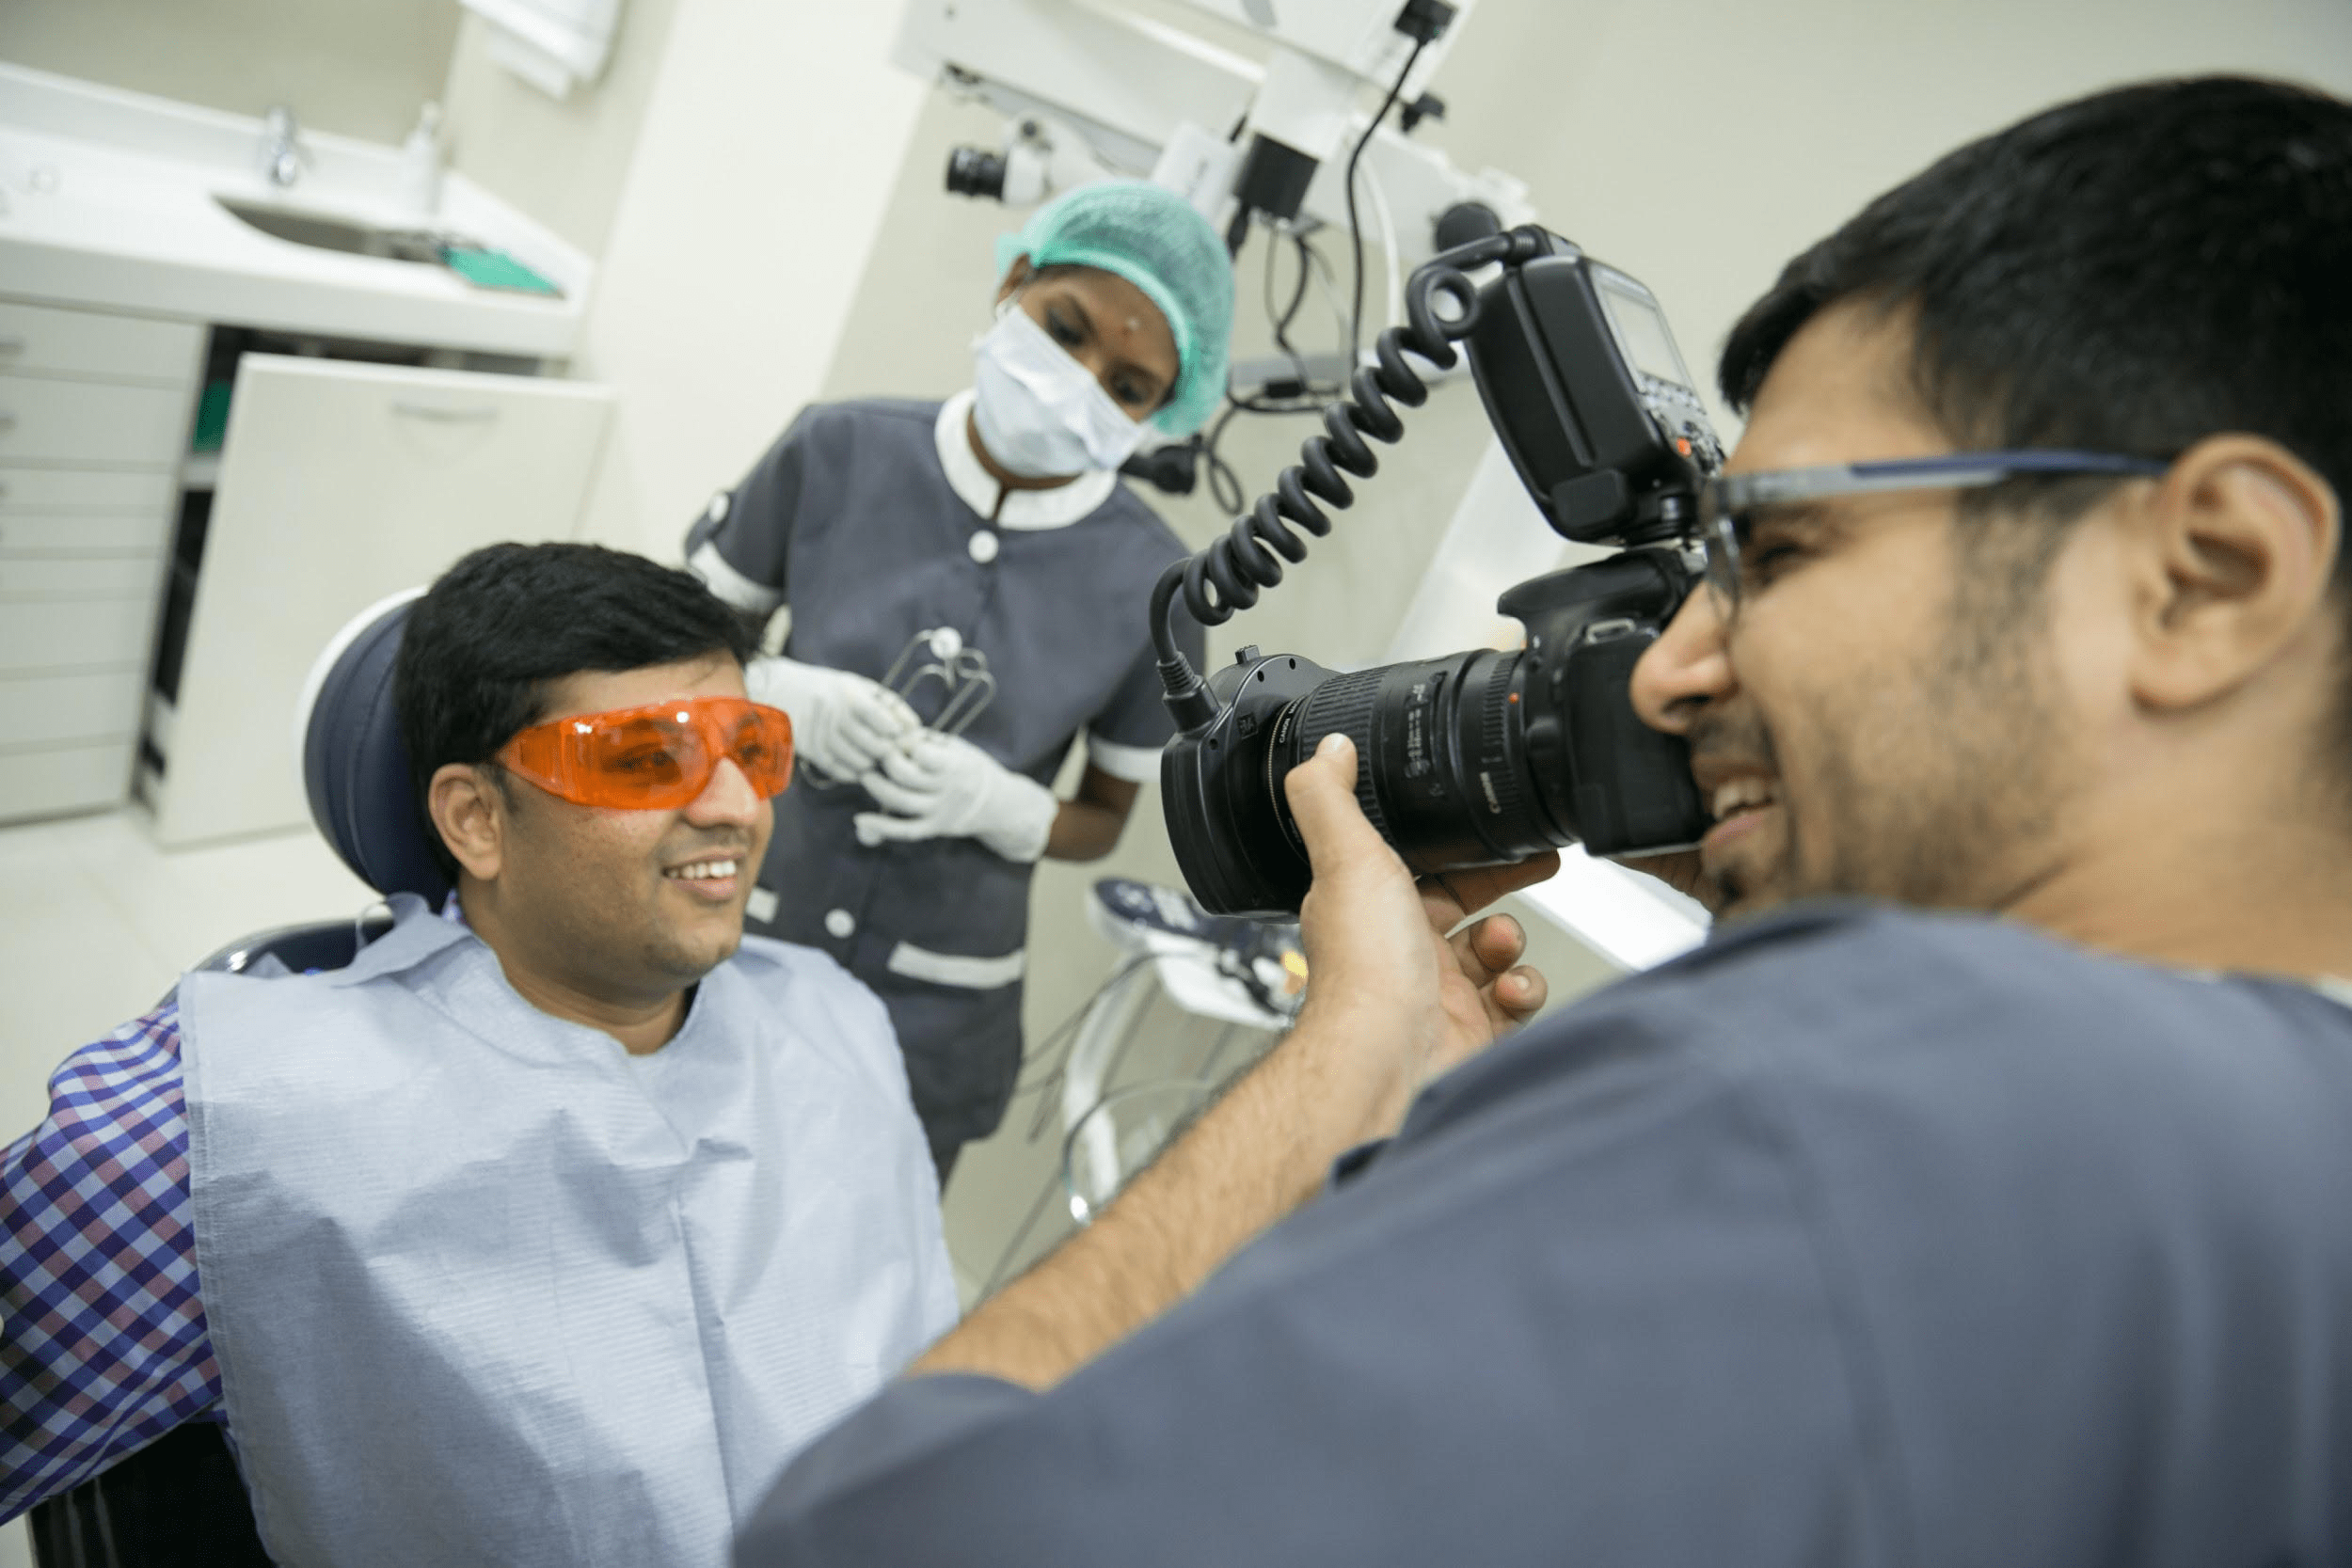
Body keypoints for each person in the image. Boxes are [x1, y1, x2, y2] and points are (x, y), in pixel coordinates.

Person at [735, 74, 2352, 1564]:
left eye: (1777, 555)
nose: (1672, 674)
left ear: (2206, 575)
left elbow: (875, 1534)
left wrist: (1342, 1063)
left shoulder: (1842, 1102)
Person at [0, 543, 956, 1566]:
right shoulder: (209, 1142)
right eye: (643, 756)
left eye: (750, 748)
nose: (734, 807)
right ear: (475, 817)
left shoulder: (835, 1022)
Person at [683, 179, 1230, 1180]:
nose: (1080, 381)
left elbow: (1099, 816)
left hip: (934, 1002)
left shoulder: (1157, 585)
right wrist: (771, 688)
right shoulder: (836, 448)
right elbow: (670, 649)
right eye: (1063, 328)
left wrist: (1005, 806)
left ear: (1161, 413)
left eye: (1129, 384)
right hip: (733, 915)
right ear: (1015, 280)